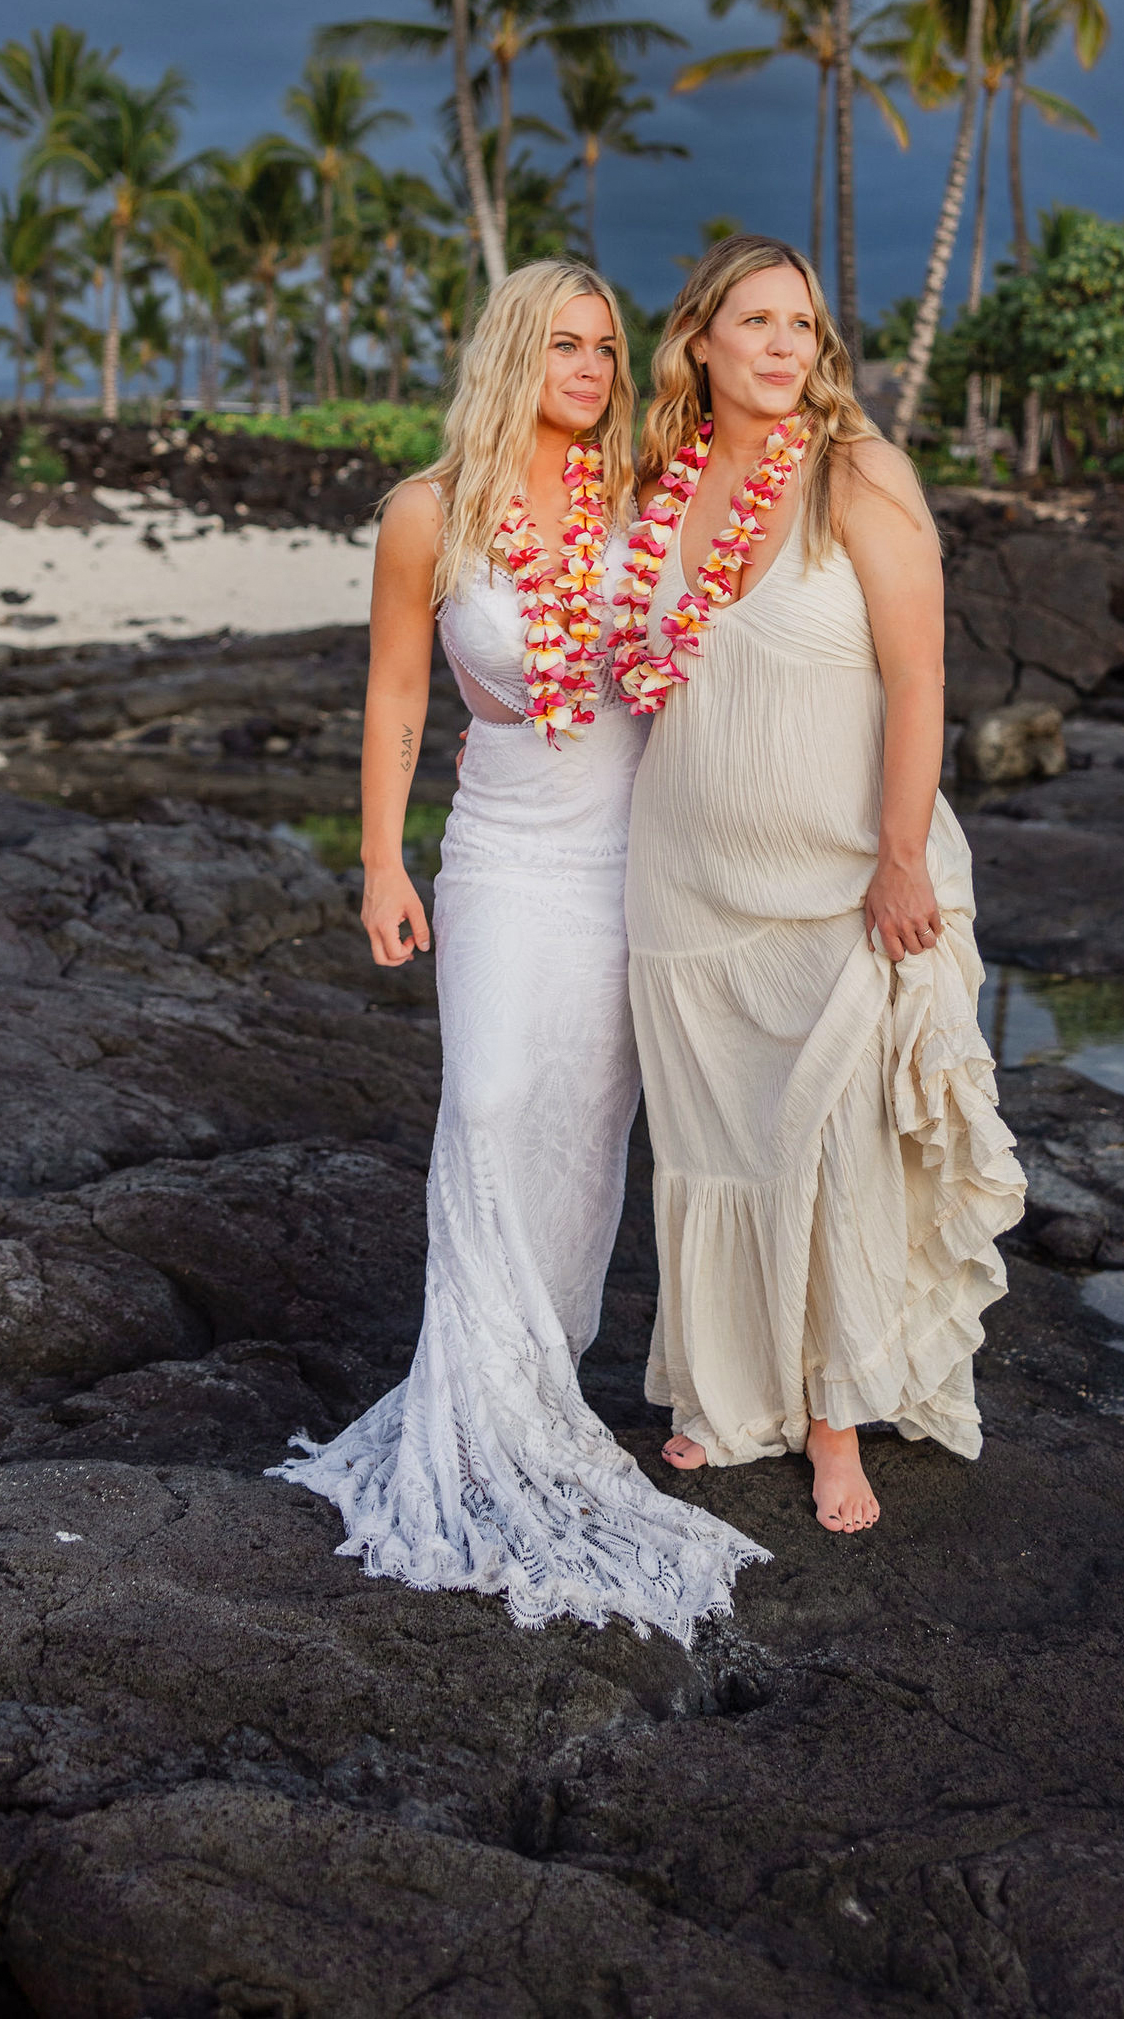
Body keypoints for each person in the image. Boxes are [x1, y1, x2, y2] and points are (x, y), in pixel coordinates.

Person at [275, 258, 763, 1639]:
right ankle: (470, 1408)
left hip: (636, 865)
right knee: (489, 1100)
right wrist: (380, 859)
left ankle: (539, 1391)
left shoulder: (648, 504)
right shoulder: (429, 514)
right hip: (499, 854)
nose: (591, 370)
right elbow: (395, 691)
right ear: (509, 355)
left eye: (605, 348)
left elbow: (733, 631)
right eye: (563, 346)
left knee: (584, 1132)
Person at [613, 234, 1025, 1536]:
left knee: (832, 1145)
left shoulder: (857, 470)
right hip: (686, 880)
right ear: (699, 342)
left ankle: (836, 1418)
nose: (786, 345)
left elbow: (920, 674)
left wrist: (901, 855)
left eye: (803, 324)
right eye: (757, 322)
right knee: (713, 1144)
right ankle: (724, 1390)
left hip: (842, 878)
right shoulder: (659, 488)